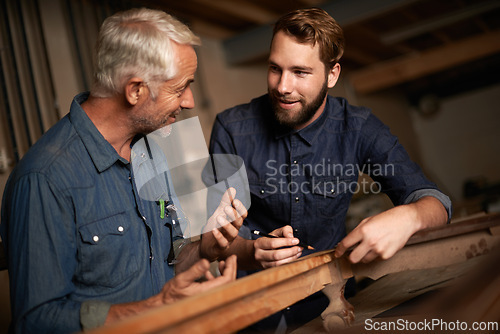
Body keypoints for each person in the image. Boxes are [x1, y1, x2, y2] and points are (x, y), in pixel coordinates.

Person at [0, 8, 249, 333]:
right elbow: (36, 322)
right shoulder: (44, 180)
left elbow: (170, 259)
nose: (189, 101)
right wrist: (157, 307)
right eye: (180, 88)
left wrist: (205, 246)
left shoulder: (152, 152)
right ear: (135, 90)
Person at [209, 7, 452, 332]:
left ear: (332, 74)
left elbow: (436, 203)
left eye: (300, 72)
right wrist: (252, 251)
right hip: (252, 305)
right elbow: (213, 238)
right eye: (274, 69)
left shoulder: (360, 128)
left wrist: (410, 217)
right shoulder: (231, 128)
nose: (283, 86)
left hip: (331, 302)